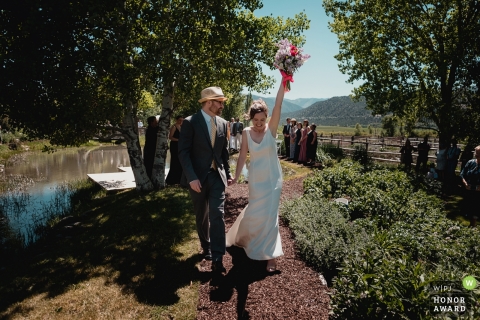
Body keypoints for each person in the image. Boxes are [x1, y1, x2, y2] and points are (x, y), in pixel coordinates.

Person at [227, 81, 285, 272]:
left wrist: (284, 81)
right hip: (256, 180)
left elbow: (278, 105)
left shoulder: (272, 129)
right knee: (255, 213)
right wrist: (236, 177)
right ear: (251, 119)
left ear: (267, 118)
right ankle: (242, 238)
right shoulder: (245, 132)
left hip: (273, 180)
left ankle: (270, 256)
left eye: (262, 120)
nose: (259, 124)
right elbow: (243, 155)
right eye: (256, 121)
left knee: (270, 216)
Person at [178, 87, 232, 273]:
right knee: (201, 215)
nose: (222, 105)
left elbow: (223, 152)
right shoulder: (190, 122)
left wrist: (229, 173)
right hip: (197, 178)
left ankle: (217, 258)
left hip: (217, 176)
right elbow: (183, 152)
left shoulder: (224, 124)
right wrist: (191, 177)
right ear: (209, 102)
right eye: (219, 101)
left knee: (217, 213)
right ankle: (206, 246)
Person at [460, 146, 480, 227]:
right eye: (476, 152)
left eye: (479, 153)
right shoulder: (470, 162)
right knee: (469, 209)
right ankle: (472, 226)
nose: (476, 154)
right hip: (469, 190)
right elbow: (462, 174)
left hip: (479, 192)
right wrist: (465, 183)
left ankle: (473, 226)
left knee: (476, 209)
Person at [165, 116, 184, 185]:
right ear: (176, 120)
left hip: (180, 146)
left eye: (182, 120)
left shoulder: (182, 127)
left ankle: (179, 179)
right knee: (175, 162)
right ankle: (171, 180)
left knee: (180, 162)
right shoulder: (174, 127)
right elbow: (170, 137)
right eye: (179, 120)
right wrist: (179, 140)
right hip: (174, 146)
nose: (180, 121)